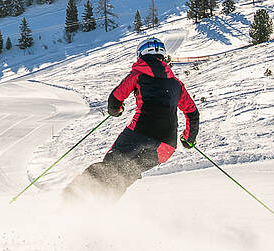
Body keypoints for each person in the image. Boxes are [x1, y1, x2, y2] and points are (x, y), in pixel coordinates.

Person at [64, 37, 199, 202]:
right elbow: (193, 113)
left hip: (139, 134)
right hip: (166, 146)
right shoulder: (177, 84)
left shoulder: (138, 74)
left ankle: (70, 200)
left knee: (109, 167)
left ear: (141, 55)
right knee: (125, 175)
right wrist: (188, 139)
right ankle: (99, 209)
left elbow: (115, 99)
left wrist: (116, 110)